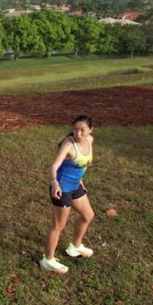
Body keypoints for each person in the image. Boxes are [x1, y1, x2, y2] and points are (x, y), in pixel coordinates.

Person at [39, 115, 96, 274]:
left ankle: (75, 247)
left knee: (88, 215)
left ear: (90, 130)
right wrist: (54, 183)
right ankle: (48, 260)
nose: (78, 134)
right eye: (75, 130)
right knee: (58, 226)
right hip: (62, 187)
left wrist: (81, 179)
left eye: (82, 130)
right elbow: (53, 167)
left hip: (75, 185)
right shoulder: (69, 144)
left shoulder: (90, 140)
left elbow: (82, 164)